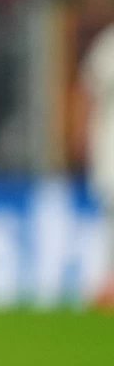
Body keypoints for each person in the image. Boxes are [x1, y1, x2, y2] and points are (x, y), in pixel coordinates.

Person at [80, 16, 114, 310]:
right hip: (110, 145)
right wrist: (81, 133)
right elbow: (87, 93)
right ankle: (108, 282)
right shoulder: (109, 44)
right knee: (110, 214)